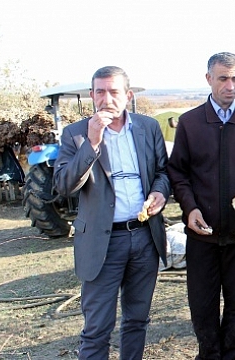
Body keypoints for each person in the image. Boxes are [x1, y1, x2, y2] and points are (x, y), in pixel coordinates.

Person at [53, 66, 171, 359]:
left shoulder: (148, 127)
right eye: (100, 92)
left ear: (128, 95)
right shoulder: (75, 134)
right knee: (97, 329)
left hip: (144, 238)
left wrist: (160, 192)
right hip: (102, 243)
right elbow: (64, 185)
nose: (107, 98)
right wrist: (92, 142)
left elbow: (163, 171)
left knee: (137, 321)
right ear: (92, 95)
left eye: (114, 91)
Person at [167, 52, 235, 360]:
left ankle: (233, 354)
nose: (230, 85)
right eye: (223, 78)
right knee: (202, 303)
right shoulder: (190, 122)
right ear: (208, 79)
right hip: (202, 234)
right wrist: (190, 208)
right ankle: (209, 354)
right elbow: (178, 173)